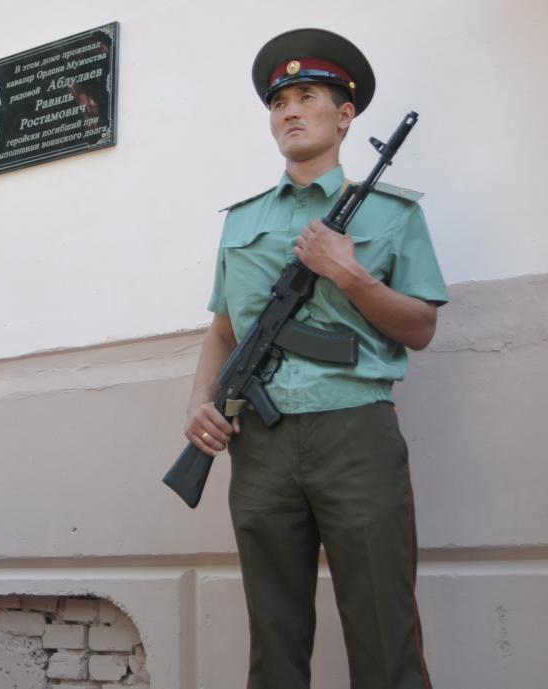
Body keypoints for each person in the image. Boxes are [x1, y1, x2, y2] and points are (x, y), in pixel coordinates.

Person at [184, 28, 446, 689]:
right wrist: (198, 402)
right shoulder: (240, 221)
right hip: (260, 442)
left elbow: (420, 327)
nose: (290, 111)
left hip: (355, 432)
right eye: (279, 103)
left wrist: (349, 275)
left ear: (345, 115)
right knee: (273, 645)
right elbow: (223, 328)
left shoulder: (392, 213)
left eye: (307, 96)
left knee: (385, 637)